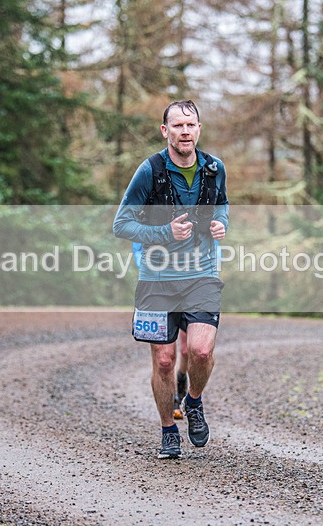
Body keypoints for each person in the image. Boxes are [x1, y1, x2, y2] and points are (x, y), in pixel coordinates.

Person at [114, 100, 228, 459]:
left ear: (199, 129)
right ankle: (168, 430)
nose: (184, 132)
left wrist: (222, 224)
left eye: (190, 125)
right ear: (165, 131)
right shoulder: (149, 170)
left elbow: (222, 204)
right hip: (157, 279)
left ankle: (193, 401)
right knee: (164, 361)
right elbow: (122, 224)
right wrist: (164, 231)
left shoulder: (214, 168)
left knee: (200, 350)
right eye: (177, 125)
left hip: (202, 274)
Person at [132, 241, 189, 420]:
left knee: (187, 349)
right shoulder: (149, 214)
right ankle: (171, 400)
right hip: (159, 285)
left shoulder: (197, 214)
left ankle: (181, 381)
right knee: (164, 358)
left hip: (191, 284)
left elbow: (213, 247)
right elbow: (138, 249)